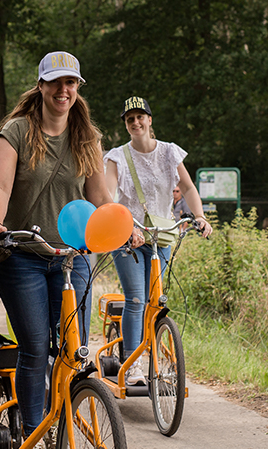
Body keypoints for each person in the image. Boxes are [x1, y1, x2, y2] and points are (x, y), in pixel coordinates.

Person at [0, 51, 112, 443]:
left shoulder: (87, 137)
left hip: (73, 258)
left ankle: (65, 408)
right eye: (55, 83)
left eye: (70, 83)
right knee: (36, 347)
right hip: (22, 256)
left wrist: (125, 228)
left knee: (75, 350)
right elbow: (0, 185)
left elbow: (99, 193)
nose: (63, 90)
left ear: (77, 88)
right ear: (41, 87)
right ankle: (35, 430)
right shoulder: (16, 131)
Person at [104, 96, 213, 385]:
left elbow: (187, 187)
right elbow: (109, 196)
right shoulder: (117, 157)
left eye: (141, 117)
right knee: (137, 298)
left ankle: (153, 355)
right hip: (128, 237)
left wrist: (199, 216)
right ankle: (133, 364)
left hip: (161, 235)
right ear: (126, 125)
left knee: (156, 300)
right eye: (130, 119)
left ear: (150, 120)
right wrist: (124, 226)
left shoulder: (169, 153)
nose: (136, 122)